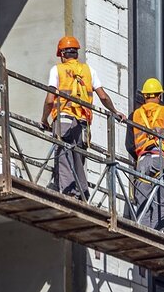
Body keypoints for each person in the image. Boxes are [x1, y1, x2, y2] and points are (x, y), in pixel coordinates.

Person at [40, 35, 124, 198]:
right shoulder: (89, 71)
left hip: (64, 119)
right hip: (83, 123)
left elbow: (50, 100)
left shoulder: (57, 70)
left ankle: (68, 192)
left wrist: (44, 120)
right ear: (76, 54)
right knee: (78, 157)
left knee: (64, 155)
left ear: (62, 54)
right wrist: (115, 111)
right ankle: (82, 191)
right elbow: (103, 97)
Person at [125, 78, 164, 231]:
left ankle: (144, 231)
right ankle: (157, 231)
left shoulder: (134, 115)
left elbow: (129, 145)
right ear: (159, 96)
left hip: (142, 161)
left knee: (143, 200)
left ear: (144, 96)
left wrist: (140, 157)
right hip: (161, 160)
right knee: (162, 200)